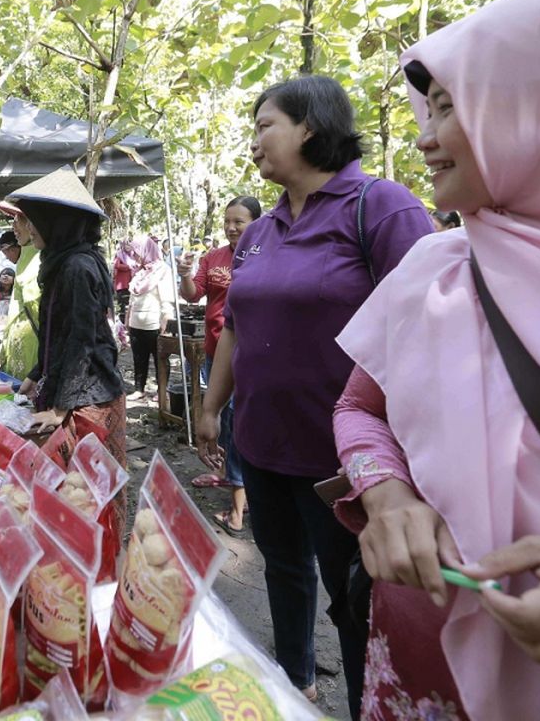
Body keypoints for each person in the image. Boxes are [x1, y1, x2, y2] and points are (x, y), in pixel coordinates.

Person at [332, 0, 540, 720]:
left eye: (453, 107)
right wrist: (388, 493)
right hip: (416, 664)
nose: (424, 137)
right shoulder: (436, 270)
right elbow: (357, 408)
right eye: (426, 107)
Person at [196, 74, 432, 716]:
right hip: (264, 444)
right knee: (283, 570)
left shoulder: (381, 208)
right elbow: (237, 329)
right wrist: (212, 406)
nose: (253, 143)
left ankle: (365, 704)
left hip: (349, 464)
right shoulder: (258, 232)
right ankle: (292, 682)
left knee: (355, 599)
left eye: (263, 125)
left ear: (309, 126)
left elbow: (435, 331)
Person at [10, 166, 126, 479]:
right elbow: (56, 332)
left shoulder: (77, 267)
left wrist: (61, 408)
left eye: (33, 220)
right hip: (73, 392)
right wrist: (37, 374)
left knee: (89, 493)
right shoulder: (62, 262)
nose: (29, 229)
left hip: (90, 398)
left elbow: (81, 342)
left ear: (55, 222)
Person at [179, 195, 262, 536]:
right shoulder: (213, 257)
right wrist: (185, 274)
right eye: (228, 221)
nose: (231, 227)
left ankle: (238, 509)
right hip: (216, 350)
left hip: (251, 355)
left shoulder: (265, 254)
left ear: (255, 223)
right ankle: (229, 477)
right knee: (221, 418)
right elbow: (191, 295)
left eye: (239, 221)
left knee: (239, 421)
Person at [0, 201, 42, 380]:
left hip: (35, 360)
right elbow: (19, 316)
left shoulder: (43, 263)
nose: (14, 226)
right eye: (13, 219)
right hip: (18, 355)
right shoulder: (26, 260)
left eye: (20, 219)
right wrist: (0, 353)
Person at [126, 235, 174, 401]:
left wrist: (166, 321)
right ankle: (139, 389)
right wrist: (127, 320)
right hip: (136, 323)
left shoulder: (162, 270)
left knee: (160, 358)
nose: (134, 255)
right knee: (139, 358)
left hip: (154, 324)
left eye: (136, 252)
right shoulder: (139, 272)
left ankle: (163, 390)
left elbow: (167, 298)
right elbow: (132, 299)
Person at [112, 238, 137, 321]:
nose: (128, 246)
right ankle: (121, 323)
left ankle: (128, 322)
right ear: (123, 245)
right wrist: (128, 267)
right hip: (122, 284)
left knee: (129, 305)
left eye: (130, 244)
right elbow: (117, 265)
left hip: (131, 283)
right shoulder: (119, 254)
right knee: (122, 305)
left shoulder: (133, 255)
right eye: (126, 244)